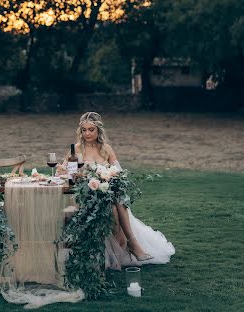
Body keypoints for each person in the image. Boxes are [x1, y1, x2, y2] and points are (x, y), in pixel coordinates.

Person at [58, 111, 175, 270]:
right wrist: (64, 170)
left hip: (106, 192)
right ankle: (132, 244)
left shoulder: (106, 148)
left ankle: (126, 248)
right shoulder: (76, 149)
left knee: (115, 203)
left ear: (98, 130)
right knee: (115, 202)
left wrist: (108, 175)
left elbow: (119, 173)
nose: (87, 133)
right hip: (86, 194)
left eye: (91, 129)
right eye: (84, 130)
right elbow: (66, 171)